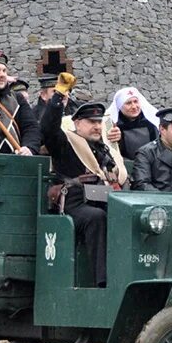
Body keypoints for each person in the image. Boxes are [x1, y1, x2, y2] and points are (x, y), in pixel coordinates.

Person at [43, 93, 127, 288]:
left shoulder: (104, 149)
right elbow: (48, 130)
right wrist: (56, 103)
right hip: (75, 204)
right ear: (77, 124)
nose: (97, 126)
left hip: (104, 200)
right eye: (91, 122)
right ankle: (103, 280)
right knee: (96, 217)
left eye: (99, 122)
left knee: (124, 216)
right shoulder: (66, 143)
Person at [107, 87, 159, 161]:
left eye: (135, 101)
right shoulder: (113, 127)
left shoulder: (151, 122)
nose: (134, 107)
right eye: (128, 103)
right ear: (120, 106)